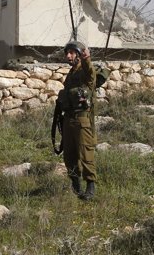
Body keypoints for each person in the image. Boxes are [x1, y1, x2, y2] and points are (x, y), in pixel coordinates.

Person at [57, 41, 97, 200]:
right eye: (67, 53)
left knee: (86, 153)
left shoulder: (85, 71)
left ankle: (90, 187)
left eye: (72, 53)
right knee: (69, 155)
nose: (68, 56)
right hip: (69, 118)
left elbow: (90, 73)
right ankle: (76, 186)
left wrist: (87, 59)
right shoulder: (72, 73)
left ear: (80, 54)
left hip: (82, 119)